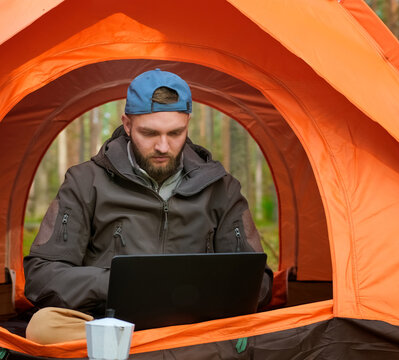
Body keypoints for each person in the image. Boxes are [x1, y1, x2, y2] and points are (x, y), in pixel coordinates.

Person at [23, 69, 273, 344]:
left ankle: (154, 348)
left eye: (175, 133)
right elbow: (42, 274)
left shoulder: (222, 188)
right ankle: (159, 349)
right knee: (43, 327)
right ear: (127, 125)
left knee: (277, 329)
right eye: (149, 133)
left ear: (188, 124)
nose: (163, 146)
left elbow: (258, 282)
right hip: (111, 324)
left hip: (195, 327)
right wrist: (121, 283)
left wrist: (191, 289)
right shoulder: (84, 181)